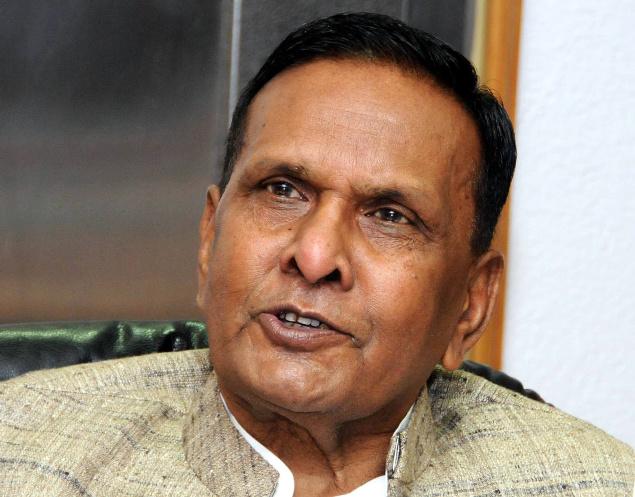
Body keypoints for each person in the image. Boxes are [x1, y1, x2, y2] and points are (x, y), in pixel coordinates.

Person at [0, 12, 632, 497]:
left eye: (390, 216)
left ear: (470, 303)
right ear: (209, 239)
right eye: (282, 190)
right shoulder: (23, 452)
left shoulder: (594, 484)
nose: (315, 255)